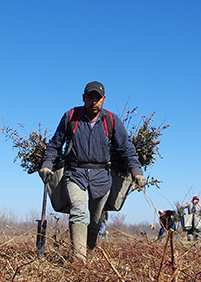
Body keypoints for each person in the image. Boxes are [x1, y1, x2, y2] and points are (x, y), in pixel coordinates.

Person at [39, 81, 146, 262]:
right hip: (75, 174)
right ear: (84, 98)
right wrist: (47, 163)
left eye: (98, 98)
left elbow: (126, 148)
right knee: (79, 212)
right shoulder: (71, 117)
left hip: (101, 178)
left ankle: (89, 255)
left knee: (95, 222)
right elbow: (55, 144)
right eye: (90, 97)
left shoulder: (111, 120)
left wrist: (136, 171)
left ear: (104, 99)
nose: (94, 101)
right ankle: (79, 261)